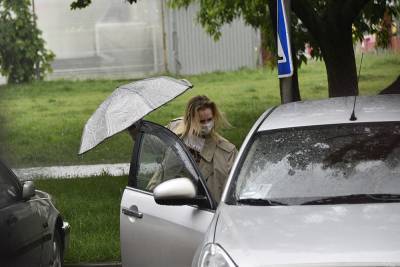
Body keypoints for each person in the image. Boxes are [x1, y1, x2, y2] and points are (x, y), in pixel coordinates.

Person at [147, 95, 238, 203]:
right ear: (190, 120)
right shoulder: (176, 136)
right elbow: (152, 144)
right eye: (202, 121)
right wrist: (135, 128)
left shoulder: (227, 151)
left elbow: (234, 189)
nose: (207, 125)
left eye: (209, 119)